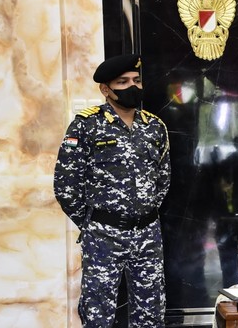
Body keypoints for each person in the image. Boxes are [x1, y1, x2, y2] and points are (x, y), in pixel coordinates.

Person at [53, 54, 171, 327]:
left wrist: (144, 212)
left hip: (147, 234)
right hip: (103, 236)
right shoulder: (86, 125)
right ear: (105, 89)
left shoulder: (155, 127)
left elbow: (163, 180)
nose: (133, 86)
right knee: (98, 314)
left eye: (136, 80)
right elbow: (66, 185)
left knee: (151, 313)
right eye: (123, 82)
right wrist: (93, 222)